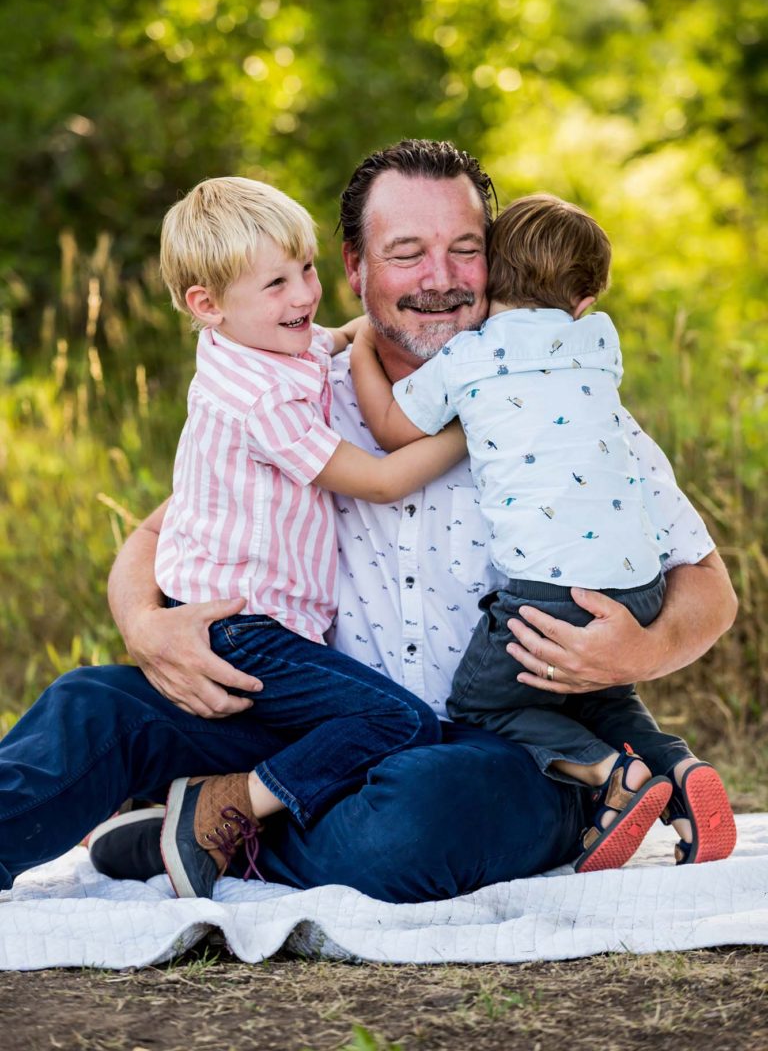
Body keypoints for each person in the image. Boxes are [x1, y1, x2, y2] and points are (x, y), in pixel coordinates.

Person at [0, 141, 737, 902]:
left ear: (501, 262)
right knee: (92, 707)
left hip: (496, 742)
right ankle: (205, 818)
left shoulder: (563, 402)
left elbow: (709, 583)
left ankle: (196, 830)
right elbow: (162, 530)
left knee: (420, 815)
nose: (441, 279)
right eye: (407, 253)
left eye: (466, 250)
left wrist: (640, 650)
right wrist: (145, 625)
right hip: (311, 721)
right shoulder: (296, 386)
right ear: (354, 269)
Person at [350, 192, 736, 872]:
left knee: (479, 701)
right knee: (603, 693)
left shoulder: (470, 358)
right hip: (634, 590)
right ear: (585, 301)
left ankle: (609, 773)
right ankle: (676, 770)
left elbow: (387, 428)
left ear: (488, 274)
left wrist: (353, 340)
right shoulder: (599, 348)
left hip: (546, 594)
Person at [127, 175, 472, 897]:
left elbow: (338, 339)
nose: (304, 295)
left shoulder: (266, 348)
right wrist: (467, 431)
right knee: (398, 722)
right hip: (243, 627)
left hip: (265, 625)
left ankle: (181, 816)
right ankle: (223, 809)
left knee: (379, 731)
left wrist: (377, 335)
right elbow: (378, 480)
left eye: (307, 270)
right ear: (207, 305)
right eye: (277, 283)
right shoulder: (259, 399)